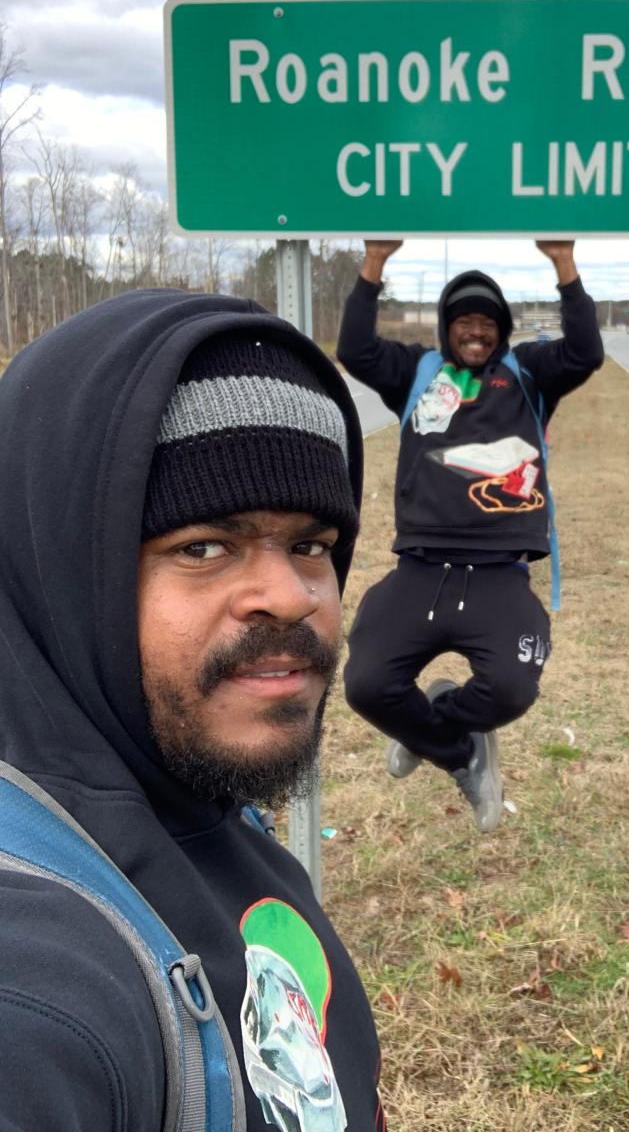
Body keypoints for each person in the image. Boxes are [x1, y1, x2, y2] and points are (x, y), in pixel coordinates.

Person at [0, 289, 386, 1131]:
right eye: (203, 547)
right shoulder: (35, 995)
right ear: (66, 576)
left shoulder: (189, 799)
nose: (288, 595)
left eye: (312, 545)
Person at [337, 239, 603, 833]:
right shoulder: (417, 372)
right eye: (464, 322)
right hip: (420, 569)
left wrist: (564, 263)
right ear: (446, 329)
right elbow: (354, 348)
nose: (476, 331)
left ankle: (431, 719)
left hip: (499, 571)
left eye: (487, 322)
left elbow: (586, 352)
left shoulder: (529, 372)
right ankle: (456, 751)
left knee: (511, 689)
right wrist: (374, 261)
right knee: (367, 685)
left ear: (502, 330)